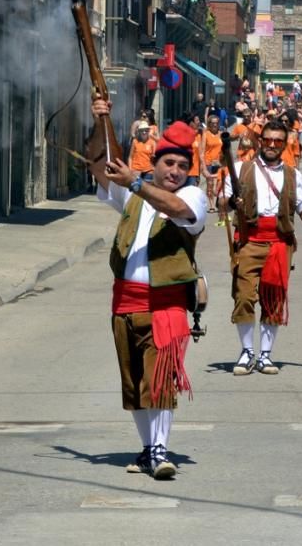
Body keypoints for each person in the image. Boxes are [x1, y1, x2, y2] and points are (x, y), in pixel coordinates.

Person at [89, 97, 207, 480]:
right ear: (154, 162)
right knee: (134, 382)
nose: (175, 171)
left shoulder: (192, 196)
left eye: (182, 166)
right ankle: (146, 449)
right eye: (168, 163)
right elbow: (99, 166)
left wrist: (136, 182)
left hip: (166, 304)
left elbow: (175, 208)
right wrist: (101, 121)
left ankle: (160, 450)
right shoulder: (132, 194)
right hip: (125, 302)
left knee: (160, 380)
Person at [220, 120, 302, 375]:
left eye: (277, 141)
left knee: (273, 300)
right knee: (244, 297)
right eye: (267, 140)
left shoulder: (294, 175)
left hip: (279, 244)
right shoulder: (239, 169)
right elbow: (221, 205)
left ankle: (265, 356)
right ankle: (247, 352)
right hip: (248, 242)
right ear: (260, 141)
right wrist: (229, 200)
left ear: (284, 144)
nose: (271, 145)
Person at [201, 115, 223, 213]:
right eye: (212, 123)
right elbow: (201, 151)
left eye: (216, 123)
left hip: (219, 162)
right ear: (209, 124)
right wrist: (203, 165)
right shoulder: (206, 134)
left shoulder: (221, 134)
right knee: (210, 184)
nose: (215, 125)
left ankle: (217, 202)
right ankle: (211, 205)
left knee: (218, 183)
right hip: (208, 162)